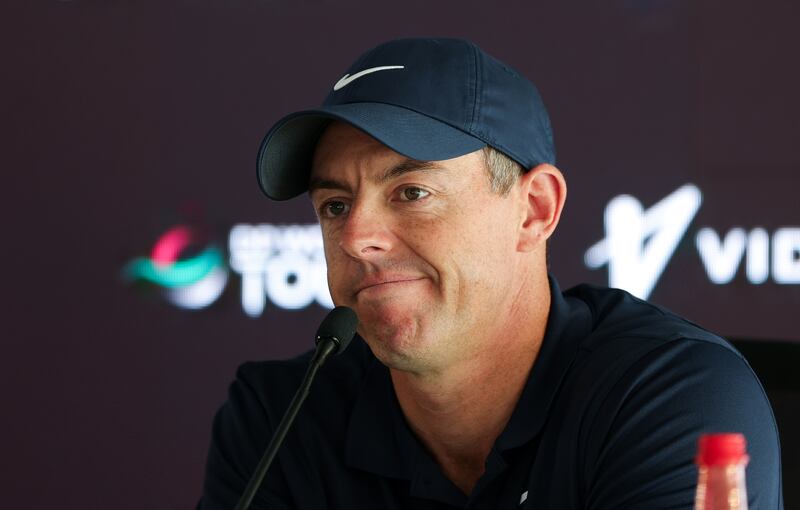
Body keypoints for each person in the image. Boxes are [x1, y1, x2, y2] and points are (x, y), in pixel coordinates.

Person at [198, 38, 782, 509]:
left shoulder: (669, 396)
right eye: (335, 206)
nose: (355, 238)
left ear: (534, 211)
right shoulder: (279, 421)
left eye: (412, 191)